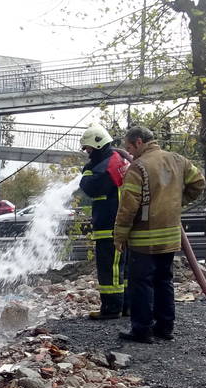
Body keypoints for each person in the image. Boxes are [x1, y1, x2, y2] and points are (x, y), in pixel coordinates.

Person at [113, 126, 205, 343]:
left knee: (141, 283)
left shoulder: (138, 167)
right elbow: (199, 183)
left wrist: (119, 235)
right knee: (164, 281)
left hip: (144, 238)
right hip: (171, 236)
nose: (129, 152)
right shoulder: (178, 160)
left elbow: (128, 206)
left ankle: (142, 330)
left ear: (138, 142)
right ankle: (165, 328)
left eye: (129, 147)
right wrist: (177, 202)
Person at [78, 123, 132, 320]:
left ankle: (111, 308)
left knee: (111, 268)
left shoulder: (108, 166)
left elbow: (89, 187)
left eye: (89, 148)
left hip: (110, 226)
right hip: (115, 225)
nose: (87, 152)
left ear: (98, 145)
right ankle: (127, 306)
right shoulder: (115, 161)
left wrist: (87, 171)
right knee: (122, 268)